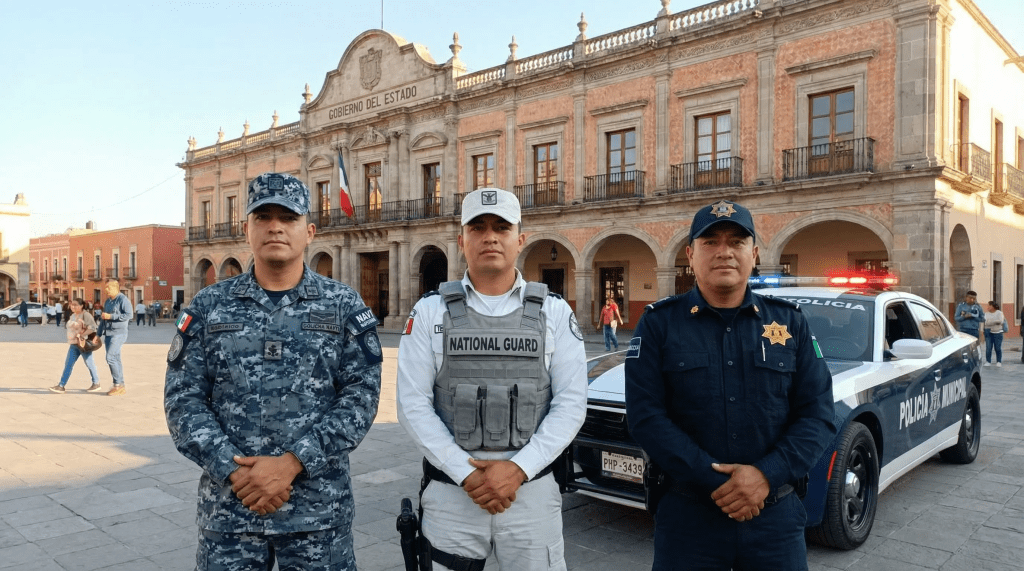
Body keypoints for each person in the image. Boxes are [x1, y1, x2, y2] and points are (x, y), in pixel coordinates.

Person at [164, 172, 382, 571]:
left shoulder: (342, 305)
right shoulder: (210, 306)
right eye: (263, 217)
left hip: (318, 517)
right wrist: (235, 471)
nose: (275, 226)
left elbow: (361, 398)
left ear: (310, 231)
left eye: (289, 217)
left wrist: (292, 463)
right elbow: (183, 401)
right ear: (247, 229)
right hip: (231, 517)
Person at [624, 200, 836, 570]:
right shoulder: (660, 324)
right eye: (710, 242)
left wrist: (765, 475)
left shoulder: (791, 324)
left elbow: (818, 414)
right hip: (688, 519)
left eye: (736, 242)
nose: (724, 252)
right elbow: (645, 417)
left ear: (754, 254)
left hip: (775, 518)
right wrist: (719, 482)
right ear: (690, 255)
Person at [396, 187, 587, 571]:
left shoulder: (554, 311)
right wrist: (467, 475)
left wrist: (517, 470)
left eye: (501, 226)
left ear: (519, 239)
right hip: (453, 495)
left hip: (531, 492)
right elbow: (412, 405)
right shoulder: (430, 311)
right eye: (478, 227)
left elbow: (570, 403)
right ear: (461, 239)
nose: (489, 236)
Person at [48, 298, 103, 393]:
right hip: (73, 344)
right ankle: (61, 385)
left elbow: (93, 327)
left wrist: (82, 335)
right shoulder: (73, 315)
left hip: (83, 343)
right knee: (68, 364)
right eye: (71, 304)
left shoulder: (86, 315)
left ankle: (96, 383)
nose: (72, 306)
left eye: (75, 305)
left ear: (81, 306)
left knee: (90, 364)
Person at [98, 279, 132, 396]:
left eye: (108, 287)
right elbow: (103, 318)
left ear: (115, 288)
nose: (106, 290)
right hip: (108, 333)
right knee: (116, 358)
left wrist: (111, 316)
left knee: (110, 357)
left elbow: (129, 314)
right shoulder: (107, 302)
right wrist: (97, 334)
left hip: (119, 333)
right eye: (105, 287)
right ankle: (120, 385)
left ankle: (117, 385)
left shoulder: (123, 299)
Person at [982, 301, 1006, 367]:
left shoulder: (999, 313)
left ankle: (998, 361)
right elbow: (986, 323)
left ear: (993, 306)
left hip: (998, 332)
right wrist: (995, 321)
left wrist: (991, 322)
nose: (988, 307)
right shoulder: (986, 314)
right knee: (988, 347)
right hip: (988, 331)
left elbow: (1000, 321)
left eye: (989, 305)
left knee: (997, 347)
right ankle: (988, 361)